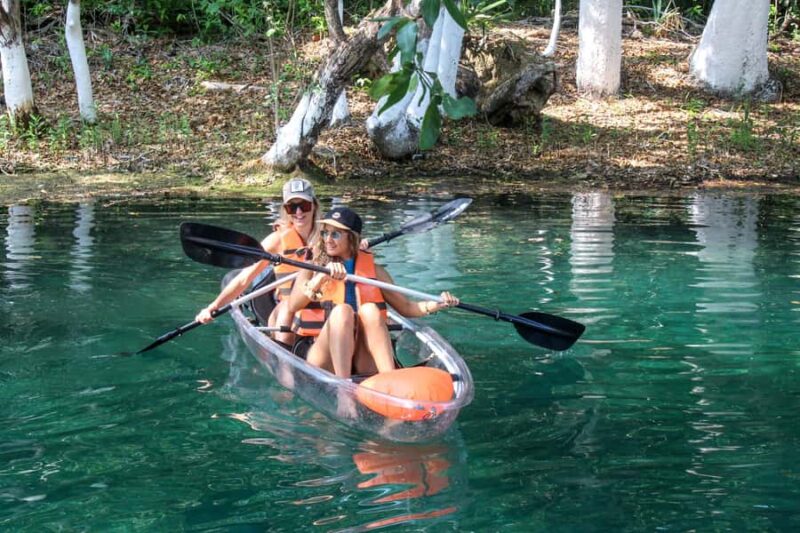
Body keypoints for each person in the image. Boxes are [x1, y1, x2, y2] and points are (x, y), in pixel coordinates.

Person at [287, 207, 459, 379]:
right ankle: (343, 392)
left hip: (361, 355)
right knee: (342, 312)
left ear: (351, 238)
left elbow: (407, 308)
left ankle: (390, 381)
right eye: (325, 233)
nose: (328, 240)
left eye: (336, 234)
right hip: (323, 354)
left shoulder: (375, 272)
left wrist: (438, 303)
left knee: (370, 310)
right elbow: (293, 305)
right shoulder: (311, 267)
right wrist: (320, 278)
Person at [196, 178, 320, 345]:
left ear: (314, 206)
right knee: (287, 307)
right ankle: (284, 358)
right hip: (286, 309)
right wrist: (213, 307)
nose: (298, 212)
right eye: (292, 207)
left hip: (321, 306)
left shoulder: (329, 237)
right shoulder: (276, 241)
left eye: (304, 205)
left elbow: (350, 249)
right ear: (285, 210)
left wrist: (357, 244)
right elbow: (243, 279)